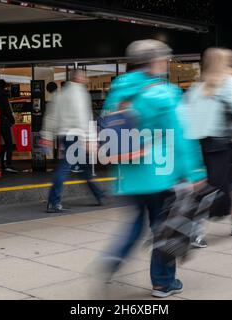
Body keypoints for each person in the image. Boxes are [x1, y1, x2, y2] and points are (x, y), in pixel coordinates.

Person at [100, 40, 207, 298]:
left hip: (127, 175)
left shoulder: (117, 92)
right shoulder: (165, 93)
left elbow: (109, 132)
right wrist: (194, 172)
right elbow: (180, 137)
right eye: (163, 59)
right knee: (165, 227)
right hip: (161, 174)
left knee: (134, 224)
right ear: (154, 62)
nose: (165, 64)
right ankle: (163, 282)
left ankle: (113, 258)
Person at [179, 48, 232, 241]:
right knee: (218, 186)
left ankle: (197, 231)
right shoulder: (221, 83)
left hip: (215, 142)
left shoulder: (205, 85)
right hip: (211, 141)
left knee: (211, 186)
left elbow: (184, 113)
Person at [40, 70, 104, 213]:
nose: (85, 78)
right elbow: (84, 118)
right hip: (77, 135)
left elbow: (51, 117)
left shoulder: (60, 94)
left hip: (65, 135)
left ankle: (100, 195)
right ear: (78, 78)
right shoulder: (80, 94)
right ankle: (53, 202)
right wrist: (90, 139)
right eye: (83, 76)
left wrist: (47, 136)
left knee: (84, 168)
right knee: (65, 168)